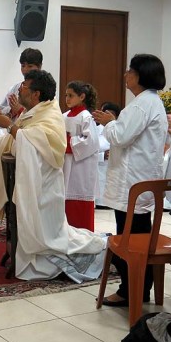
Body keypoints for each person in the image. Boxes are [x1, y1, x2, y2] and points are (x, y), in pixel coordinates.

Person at [0, 70, 107, 282]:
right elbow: (15, 141)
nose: (19, 89)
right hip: (32, 183)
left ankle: (91, 249)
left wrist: (9, 125)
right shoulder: (33, 112)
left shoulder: (50, 115)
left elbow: (36, 142)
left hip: (44, 188)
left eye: (24, 86)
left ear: (36, 94)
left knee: (50, 236)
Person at [92, 54, 168, 307]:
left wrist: (109, 122)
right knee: (139, 235)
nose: (125, 75)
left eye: (130, 71)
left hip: (132, 183)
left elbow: (121, 137)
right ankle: (140, 287)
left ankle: (129, 290)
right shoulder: (151, 102)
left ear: (140, 75)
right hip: (140, 181)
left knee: (129, 240)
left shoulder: (140, 105)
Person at [62, 81, 100, 231]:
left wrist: (68, 142)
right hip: (65, 164)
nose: (67, 99)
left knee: (79, 206)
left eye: (71, 95)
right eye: (66, 95)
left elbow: (92, 141)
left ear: (82, 96)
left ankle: (84, 237)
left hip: (81, 168)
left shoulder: (86, 117)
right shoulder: (64, 116)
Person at [0, 48, 43, 121]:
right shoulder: (15, 88)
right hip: (12, 126)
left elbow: (43, 115)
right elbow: (2, 109)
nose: (25, 70)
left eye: (30, 66)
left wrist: (20, 110)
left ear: (39, 67)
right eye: (23, 66)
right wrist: (10, 113)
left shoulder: (45, 89)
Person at [95, 102, 121, 208]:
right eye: (105, 113)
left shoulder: (120, 131)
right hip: (99, 169)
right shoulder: (95, 130)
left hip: (115, 169)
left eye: (111, 114)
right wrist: (102, 155)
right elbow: (88, 151)